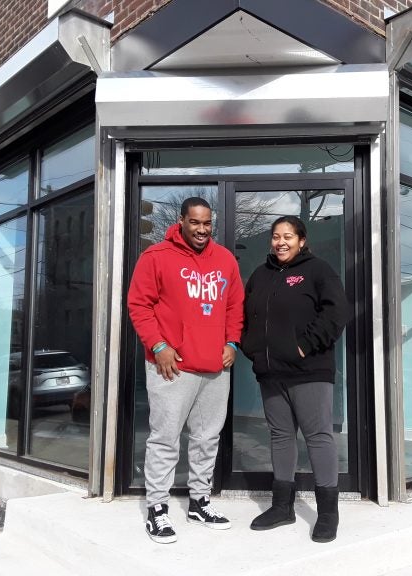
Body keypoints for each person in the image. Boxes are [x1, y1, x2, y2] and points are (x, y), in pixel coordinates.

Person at [127, 197, 244, 544]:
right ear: (181, 222)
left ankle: (199, 501)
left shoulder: (225, 259)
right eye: (195, 222)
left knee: (207, 438)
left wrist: (232, 342)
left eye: (207, 223)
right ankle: (157, 509)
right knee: (165, 438)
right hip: (172, 367)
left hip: (215, 367)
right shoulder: (156, 257)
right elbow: (138, 304)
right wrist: (158, 346)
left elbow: (235, 304)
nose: (202, 230)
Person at [240, 215, 348, 543]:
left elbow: (336, 312)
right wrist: (253, 349)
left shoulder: (317, 270)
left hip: (309, 371)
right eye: (276, 236)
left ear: (302, 240)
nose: (281, 241)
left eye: (288, 235)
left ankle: (328, 513)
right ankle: (282, 507)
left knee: (317, 437)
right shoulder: (260, 275)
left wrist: (304, 347)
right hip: (271, 373)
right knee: (280, 437)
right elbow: (247, 317)